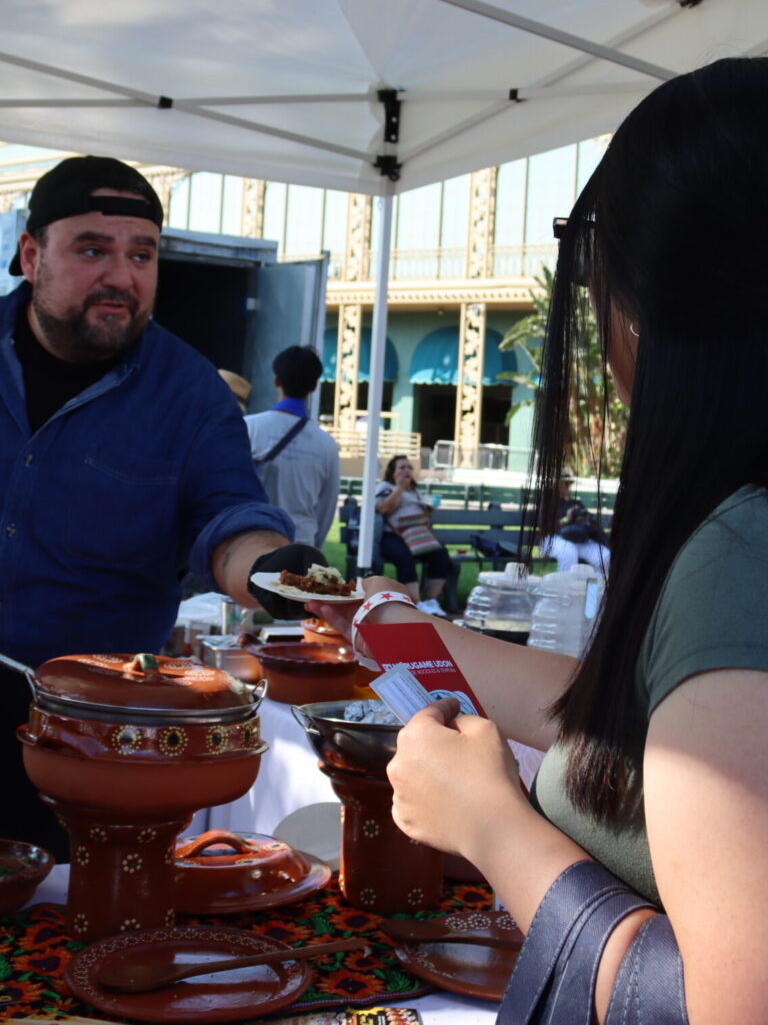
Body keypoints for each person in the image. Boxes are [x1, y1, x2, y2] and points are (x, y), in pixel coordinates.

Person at [310, 59, 768, 1024]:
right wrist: (392, 629)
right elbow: (633, 735)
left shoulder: (741, 552)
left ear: (643, 309)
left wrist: (490, 826)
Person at [0, 155, 326, 856]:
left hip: (92, 741)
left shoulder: (189, 394)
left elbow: (227, 518)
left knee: (80, 943)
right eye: (92, 249)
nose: (121, 275)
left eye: (141, 254)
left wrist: (273, 570)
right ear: (31, 255)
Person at [244, 344, 340, 549]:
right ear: (314, 386)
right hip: (300, 546)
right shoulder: (327, 445)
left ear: (276, 381)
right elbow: (327, 508)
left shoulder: (248, 427)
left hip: (249, 543)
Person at [374, 455, 453, 616]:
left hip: (416, 535)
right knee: (404, 557)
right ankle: (415, 604)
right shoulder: (385, 487)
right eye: (402, 467)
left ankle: (430, 601)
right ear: (392, 471)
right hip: (392, 536)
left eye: (409, 468)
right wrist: (399, 488)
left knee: (440, 555)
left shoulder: (416, 491)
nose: (407, 471)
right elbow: (384, 509)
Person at [540, 472, 611, 572]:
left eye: (568, 484)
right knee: (568, 553)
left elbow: (591, 523)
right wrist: (566, 519)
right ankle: (564, 586)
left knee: (605, 557)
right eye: (564, 483)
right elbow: (545, 527)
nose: (567, 486)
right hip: (553, 539)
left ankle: (595, 587)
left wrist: (583, 520)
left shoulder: (575, 503)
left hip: (577, 539)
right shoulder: (548, 503)